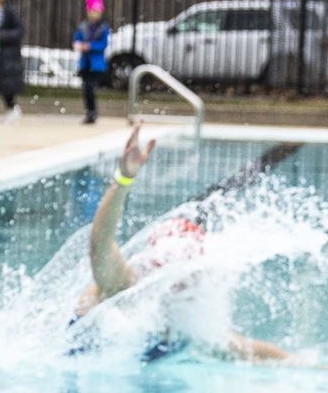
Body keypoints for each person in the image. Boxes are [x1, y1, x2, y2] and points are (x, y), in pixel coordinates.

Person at [75, 123, 293, 361]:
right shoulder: (124, 288)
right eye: (180, 280)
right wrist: (123, 179)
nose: (186, 286)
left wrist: (305, 365)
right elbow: (100, 245)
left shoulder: (187, 320)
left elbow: (247, 349)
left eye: (191, 278)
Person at [74, 0, 112, 124]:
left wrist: (90, 46)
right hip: (85, 63)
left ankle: (92, 112)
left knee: (90, 87)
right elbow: (77, 39)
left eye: (97, 11)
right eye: (92, 11)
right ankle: (90, 111)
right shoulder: (83, 26)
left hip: (96, 63)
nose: (94, 14)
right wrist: (80, 45)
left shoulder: (103, 28)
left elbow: (103, 45)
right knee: (86, 89)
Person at [0, 0, 27, 119]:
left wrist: (0, 36)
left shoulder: (10, 10)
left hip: (6, 53)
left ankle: (11, 107)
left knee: (6, 84)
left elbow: (20, 30)